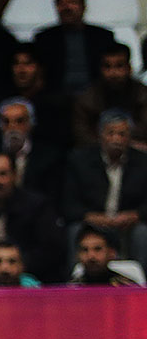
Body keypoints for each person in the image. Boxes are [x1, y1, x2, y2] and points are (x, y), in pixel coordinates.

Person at [0, 151, 64, 284]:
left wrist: (14, 268)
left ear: (14, 175)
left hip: (29, 282)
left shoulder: (36, 206)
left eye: (2, 174)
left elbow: (50, 249)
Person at [62, 109, 147, 271]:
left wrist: (136, 215)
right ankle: (74, 280)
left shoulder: (143, 162)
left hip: (128, 225)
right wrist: (90, 217)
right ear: (100, 135)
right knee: (74, 230)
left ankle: (142, 283)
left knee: (143, 233)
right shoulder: (79, 161)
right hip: (92, 223)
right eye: (111, 133)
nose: (116, 139)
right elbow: (69, 203)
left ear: (130, 136)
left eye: (122, 134)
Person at [32, 0, 116, 98]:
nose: (66, 7)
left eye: (72, 1)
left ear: (83, 6)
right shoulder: (44, 39)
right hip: (56, 98)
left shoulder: (103, 37)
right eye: (60, 3)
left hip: (97, 98)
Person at [72, 44, 147, 149]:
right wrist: (114, 145)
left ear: (129, 68)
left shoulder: (143, 95)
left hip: (138, 151)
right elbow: (83, 137)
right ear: (100, 69)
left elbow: (144, 130)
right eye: (107, 66)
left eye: (119, 66)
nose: (113, 73)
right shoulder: (86, 99)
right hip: (98, 152)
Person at [71, 224, 142, 287]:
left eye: (98, 249)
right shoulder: (72, 289)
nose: (91, 256)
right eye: (85, 250)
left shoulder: (127, 288)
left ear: (112, 253)